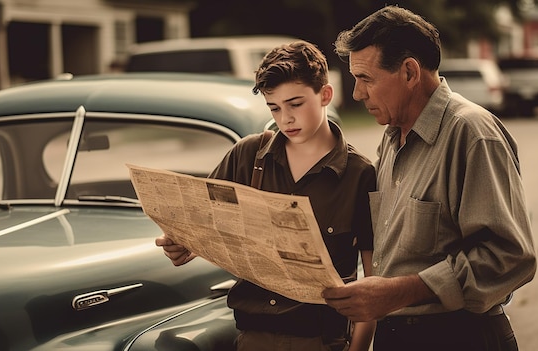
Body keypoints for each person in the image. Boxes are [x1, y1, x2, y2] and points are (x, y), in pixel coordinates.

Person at [321, 5, 537, 351]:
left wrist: (400, 291)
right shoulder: (392, 137)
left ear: (409, 72)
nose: (358, 94)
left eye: (365, 78)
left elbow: (510, 257)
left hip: (460, 337)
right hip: (398, 336)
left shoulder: (472, 133)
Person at [156, 40, 377, 351]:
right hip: (252, 337)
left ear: (326, 95)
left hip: (322, 340)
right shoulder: (248, 155)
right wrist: (182, 245)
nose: (285, 118)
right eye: (274, 107)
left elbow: (372, 283)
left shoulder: (360, 174)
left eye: (295, 104)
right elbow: (201, 224)